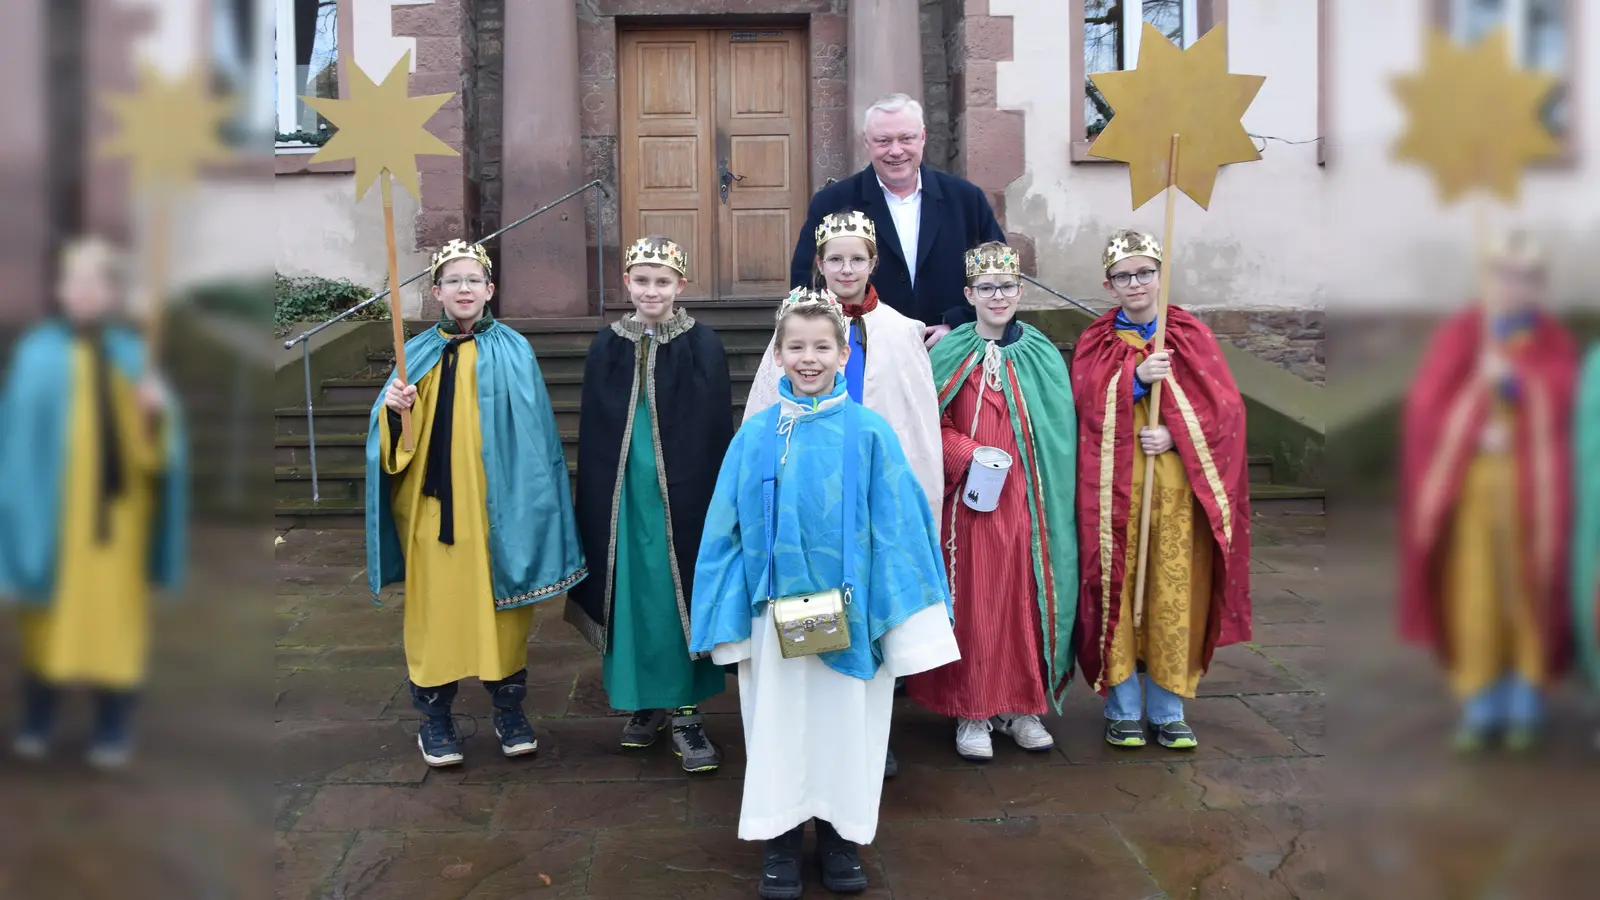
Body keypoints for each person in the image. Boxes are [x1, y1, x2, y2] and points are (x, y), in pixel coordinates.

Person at [691, 288, 958, 899]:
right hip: (773, 615)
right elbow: (724, 528)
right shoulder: (755, 436)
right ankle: (781, 841)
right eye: (796, 347)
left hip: (854, 613)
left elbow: (900, 529)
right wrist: (725, 616)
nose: (808, 359)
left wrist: (904, 624)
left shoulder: (869, 434)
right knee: (778, 727)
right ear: (778, 355)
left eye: (821, 347)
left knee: (848, 727)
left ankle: (842, 839)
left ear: (843, 354)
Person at [366, 238, 586, 767]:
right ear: (436, 291)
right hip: (433, 511)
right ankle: (435, 719)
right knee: (435, 613)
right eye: (453, 281)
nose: (464, 289)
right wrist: (395, 412)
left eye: (474, 281)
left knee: (502, 614)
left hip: (499, 509)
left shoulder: (514, 350)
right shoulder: (412, 355)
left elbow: (536, 442)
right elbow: (391, 449)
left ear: (490, 290)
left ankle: (509, 711)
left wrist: (533, 508)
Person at [748, 209, 944, 777]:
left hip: (871, 503)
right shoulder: (794, 332)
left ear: (873, 262)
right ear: (820, 264)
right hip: (811, 504)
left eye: (857, 258)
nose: (846, 268)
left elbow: (917, 426)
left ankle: (865, 729)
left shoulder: (902, 331)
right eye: (835, 259)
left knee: (868, 608)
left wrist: (917, 503)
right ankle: (810, 725)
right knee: (809, 607)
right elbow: (764, 414)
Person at [0, 236, 187, 769]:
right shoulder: (37, 355)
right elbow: (15, 440)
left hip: (116, 524)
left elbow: (160, 456)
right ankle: (38, 718)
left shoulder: (134, 357)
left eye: (95, 282)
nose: (83, 292)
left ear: (112, 293)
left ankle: (113, 724)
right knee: (46, 625)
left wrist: (152, 417)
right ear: (60, 290)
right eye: (74, 281)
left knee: (115, 630)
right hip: (53, 520)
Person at [1071, 230, 1251, 750]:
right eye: (1123, 276)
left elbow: (1226, 412)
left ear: (1160, 276)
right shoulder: (1097, 340)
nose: (1135, 284)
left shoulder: (1190, 334)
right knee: (1118, 594)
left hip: (1176, 491)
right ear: (1109, 286)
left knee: (1174, 593)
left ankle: (1169, 709)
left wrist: (1175, 433)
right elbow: (1082, 402)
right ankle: (1123, 708)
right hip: (1115, 493)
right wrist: (1134, 380)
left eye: (1144, 272)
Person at [1401, 230, 1576, 752]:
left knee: (1528, 590)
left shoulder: (1550, 340)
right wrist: (1476, 415)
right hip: (1473, 491)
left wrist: (1521, 386)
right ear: (1489, 279)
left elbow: (1567, 396)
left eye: (1525, 278)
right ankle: (1481, 704)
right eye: (1505, 276)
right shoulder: (1464, 335)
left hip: (1532, 493)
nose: (1514, 287)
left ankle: (1526, 701)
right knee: (1474, 590)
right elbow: (1426, 407)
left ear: (1538, 286)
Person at [906, 242, 1078, 761]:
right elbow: (926, 422)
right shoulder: (948, 351)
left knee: (1024, 601)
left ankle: (1023, 708)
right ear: (968, 294)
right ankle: (973, 712)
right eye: (986, 288)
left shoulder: (1042, 353)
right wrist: (966, 452)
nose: (997, 296)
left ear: (1020, 291)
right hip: (968, 506)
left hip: (1028, 503)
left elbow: (1059, 431)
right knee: (976, 603)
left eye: (1006, 287)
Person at [567, 236, 733, 773]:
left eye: (662, 281)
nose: (651, 290)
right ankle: (643, 702)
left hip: (682, 502)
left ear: (680, 286)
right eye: (642, 281)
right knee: (631, 595)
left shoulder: (703, 344)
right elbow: (595, 434)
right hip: (622, 499)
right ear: (627, 285)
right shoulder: (605, 345)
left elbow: (712, 433)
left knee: (674, 593)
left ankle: (685, 711)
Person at [790, 93, 1004, 349]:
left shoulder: (967, 200)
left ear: (922, 137)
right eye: (883, 141)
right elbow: (806, 286)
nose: (895, 150)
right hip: (865, 354)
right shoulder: (832, 203)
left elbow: (999, 279)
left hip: (953, 353)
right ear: (866, 142)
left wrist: (960, 325)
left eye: (906, 138)